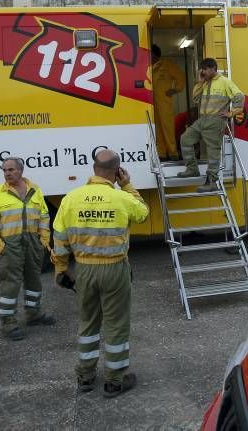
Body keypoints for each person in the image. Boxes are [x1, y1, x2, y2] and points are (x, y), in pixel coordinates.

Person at [51, 149, 149, 398]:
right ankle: (115, 381)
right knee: (116, 325)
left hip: (84, 268)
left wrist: (62, 269)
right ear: (117, 173)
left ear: (93, 169)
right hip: (115, 268)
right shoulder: (121, 198)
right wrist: (128, 185)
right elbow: (143, 212)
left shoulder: (71, 199)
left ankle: (85, 377)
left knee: (88, 323)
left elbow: (59, 239)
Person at [0, 157, 55, 341]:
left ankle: (34, 314)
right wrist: (0, 248)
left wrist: (43, 239)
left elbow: (44, 216)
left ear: (21, 171)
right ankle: (8, 323)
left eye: (11, 169)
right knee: (10, 283)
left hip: (33, 242)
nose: (7, 173)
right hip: (10, 245)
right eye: (5, 170)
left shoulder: (35, 190)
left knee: (34, 279)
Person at [176, 57, 245, 192]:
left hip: (216, 120)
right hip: (203, 119)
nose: (203, 72)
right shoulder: (205, 82)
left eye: (205, 70)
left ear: (213, 68)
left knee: (213, 151)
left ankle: (211, 181)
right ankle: (192, 169)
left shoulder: (225, 82)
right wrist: (199, 82)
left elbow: (240, 96)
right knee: (185, 139)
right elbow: (195, 99)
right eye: (202, 70)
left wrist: (231, 113)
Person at [150, 44, 185, 161]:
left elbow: (180, 77)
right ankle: (162, 153)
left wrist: (175, 89)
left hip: (164, 102)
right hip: (152, 103)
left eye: (150, 53)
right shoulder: (148, 67)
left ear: (155, 54)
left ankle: (173, 153)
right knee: (158, 128)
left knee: (167, 127)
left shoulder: (166, 64)